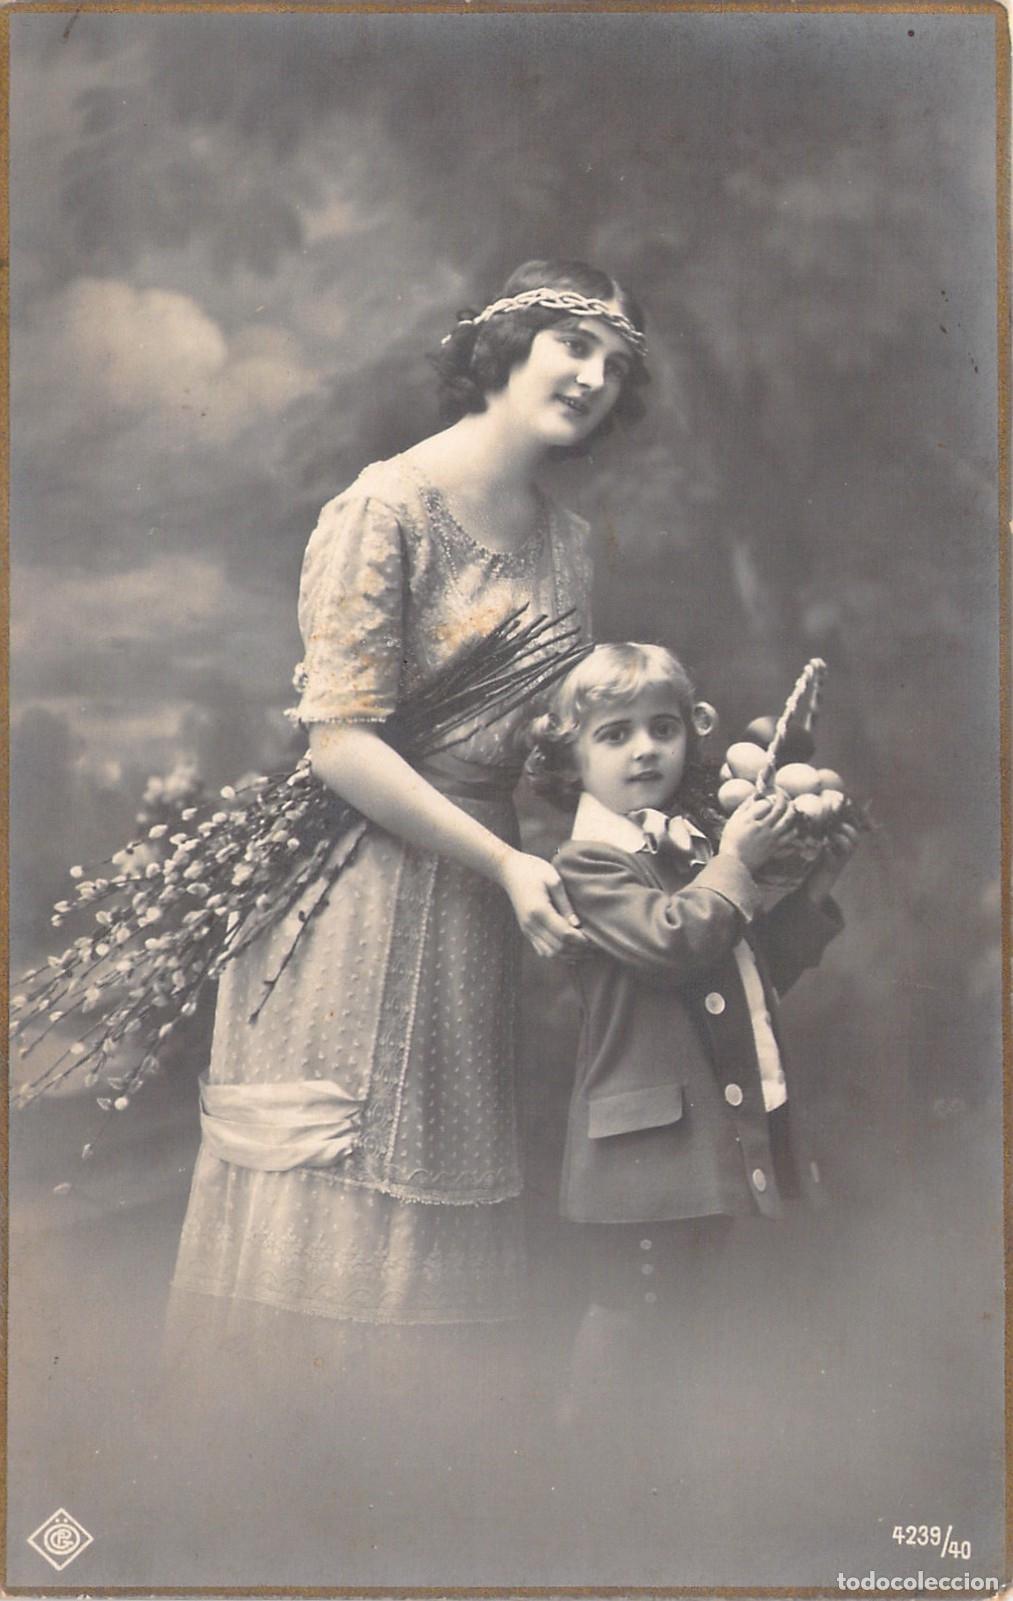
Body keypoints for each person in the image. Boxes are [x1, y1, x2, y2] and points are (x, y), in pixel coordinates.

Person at [167, 261, 649, 1354]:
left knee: (441, 1204)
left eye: (615, 367)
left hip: (479, 905)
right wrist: (506, 862)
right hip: (350, 896)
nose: (590, 377)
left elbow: (549, 750)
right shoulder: (386, 505)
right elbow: (337, 741)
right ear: (506, 348)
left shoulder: (569, 545)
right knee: (342, 1194)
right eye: (572, 345)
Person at [523, 642, 859, 1434]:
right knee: (632, 1310)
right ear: (572, 755)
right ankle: (586, 1456)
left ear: (690, 732)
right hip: (642, 1143)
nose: (644, 748)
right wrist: (738, 863)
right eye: (614, 734)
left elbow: (747, 970)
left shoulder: (682, 848)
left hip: (692, 1131)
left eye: (662, 727)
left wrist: (811, 892)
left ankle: (664, 1471)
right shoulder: (589, 862)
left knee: (687, 1309)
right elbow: (674, 941)